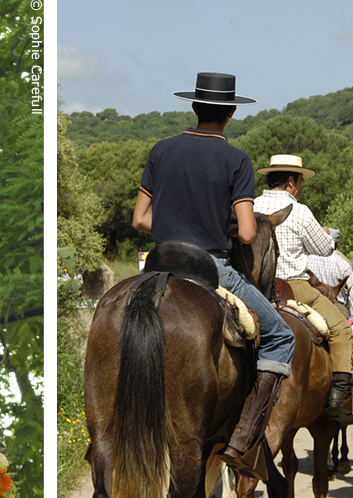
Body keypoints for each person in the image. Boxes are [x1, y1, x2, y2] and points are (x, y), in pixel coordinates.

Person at [131, 72, 295, 478]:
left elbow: (140, 219)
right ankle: (243, 441)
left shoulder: (161, 150)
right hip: (211, 267)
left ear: (193, 107)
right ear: (232, 112)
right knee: (281, 335)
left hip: (158, 261)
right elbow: (247, 232)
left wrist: (173, 226)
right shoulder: (236, 160)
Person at [253, 154, 353, 424]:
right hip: (294, 286)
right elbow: (324, 249)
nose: (301, 187)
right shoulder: (299, 210)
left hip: (256, 288)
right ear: (290, 181)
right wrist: (324, 235)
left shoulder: (251, 204)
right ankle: (339, 397)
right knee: (341, 330)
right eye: (300, 181)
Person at [306, 228, 353, 310]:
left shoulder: (307, 260)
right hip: (336, 308)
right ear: (337, 243)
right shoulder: (344, 265)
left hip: (310, 307)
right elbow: (351, 295)